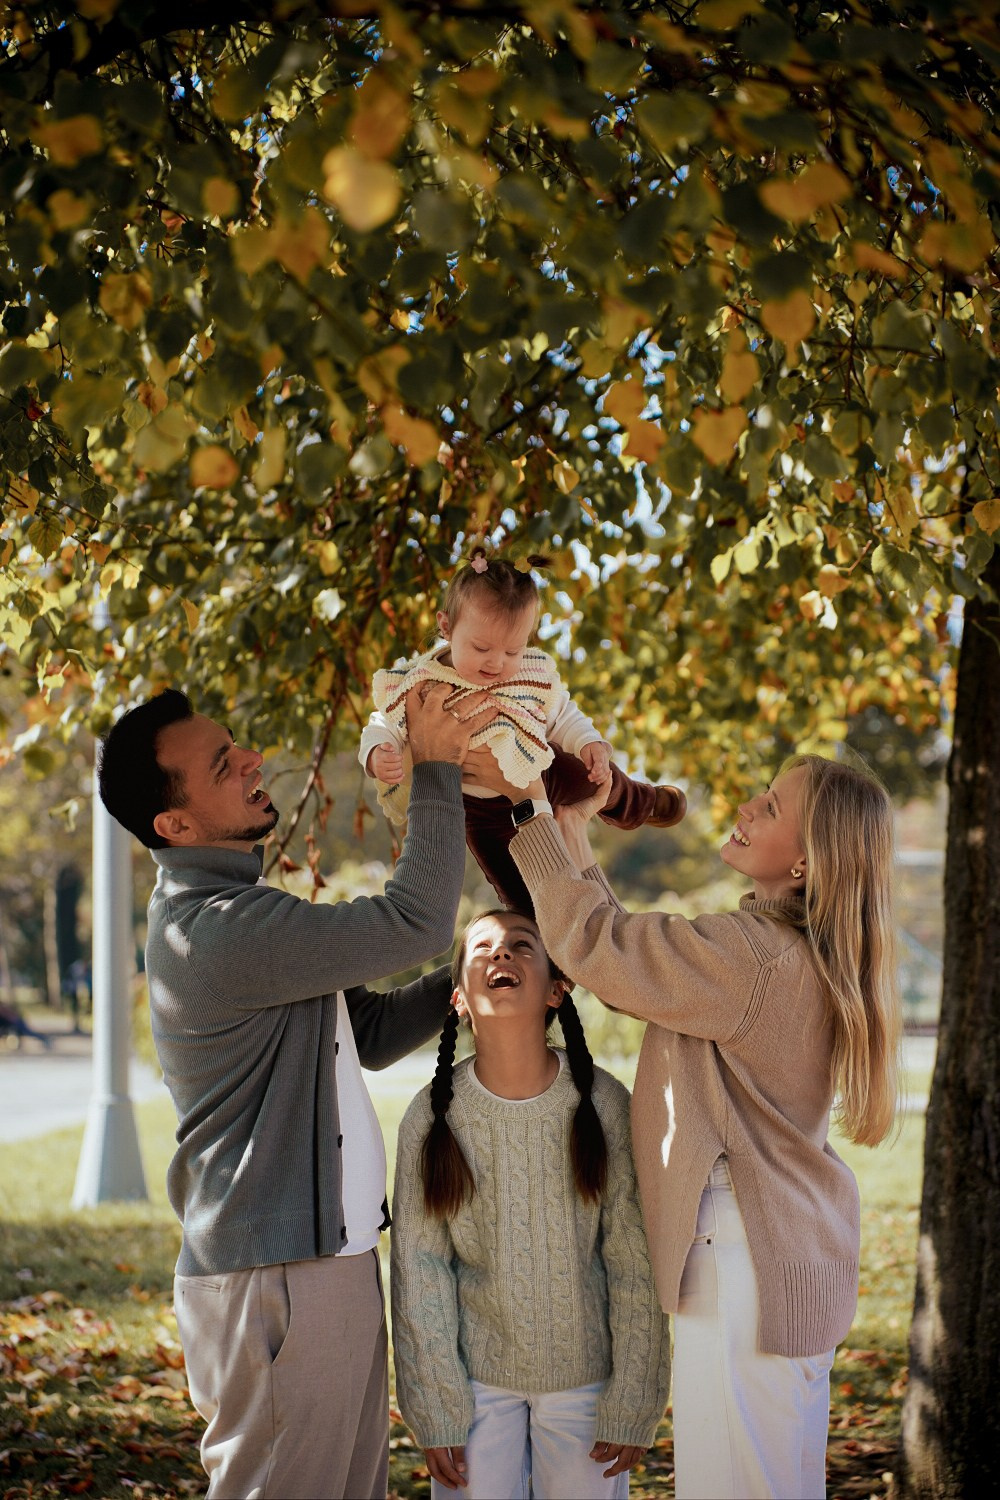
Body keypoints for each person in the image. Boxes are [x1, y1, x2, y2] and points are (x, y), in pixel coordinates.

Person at [96, 683, 492, 1500]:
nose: (253, 757)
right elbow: (411, 922)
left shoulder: (243, 914)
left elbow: (369, 1035)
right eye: (222, 762)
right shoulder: (212, 930)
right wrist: (437, 771)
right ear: (175, 825)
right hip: (275, 1276)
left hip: (324, 1263)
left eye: (236, 740)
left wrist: (477, 977)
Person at [494, 753, 901, 1500]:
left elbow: (602, 951)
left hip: (744, 1266)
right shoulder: (780, 955)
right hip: (786, 1263)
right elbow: (635, 965)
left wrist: (531, 810)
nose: (746, 805)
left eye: (771, 806)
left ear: (807, 863)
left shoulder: (752, 959)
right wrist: (575, 833)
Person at [390, 908, 670, 1500]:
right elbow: (419, 1270)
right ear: (459, 996)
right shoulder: (432, 1115)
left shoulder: (602, 1104)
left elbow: (633, 1260)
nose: (501, 955)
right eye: (482, 948)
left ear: (556, 990)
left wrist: (634, 1394)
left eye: (522, 946)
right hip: (473, 1385)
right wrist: (436, 1402)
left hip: (586, 1382)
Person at [359, 551, 686, 913]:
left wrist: (589, 741)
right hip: (475, 805)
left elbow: (562, 713)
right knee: (513, 886)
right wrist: (378, 753)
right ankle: (544, 943)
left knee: (597, 780)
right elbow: (383, 722)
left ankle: (641, 802)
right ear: (447, 626)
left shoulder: (528, 673)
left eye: (513, 649)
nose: (497, 663)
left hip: (542, 767)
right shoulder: (416, 682)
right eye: (481, 648)